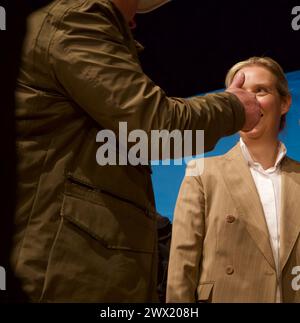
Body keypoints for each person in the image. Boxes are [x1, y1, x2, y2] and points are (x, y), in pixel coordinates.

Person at [12, 0, 260, 302]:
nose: (132, 25)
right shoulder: (73, 18)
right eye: (133, 11)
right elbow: (155, 132)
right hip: (65, 277)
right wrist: (232, 108)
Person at [166, 56, 300, 303]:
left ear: (284, 102)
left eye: (260, 90)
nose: (249, 100)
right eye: (240, 92)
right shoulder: (203, 173)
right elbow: (181, 268)